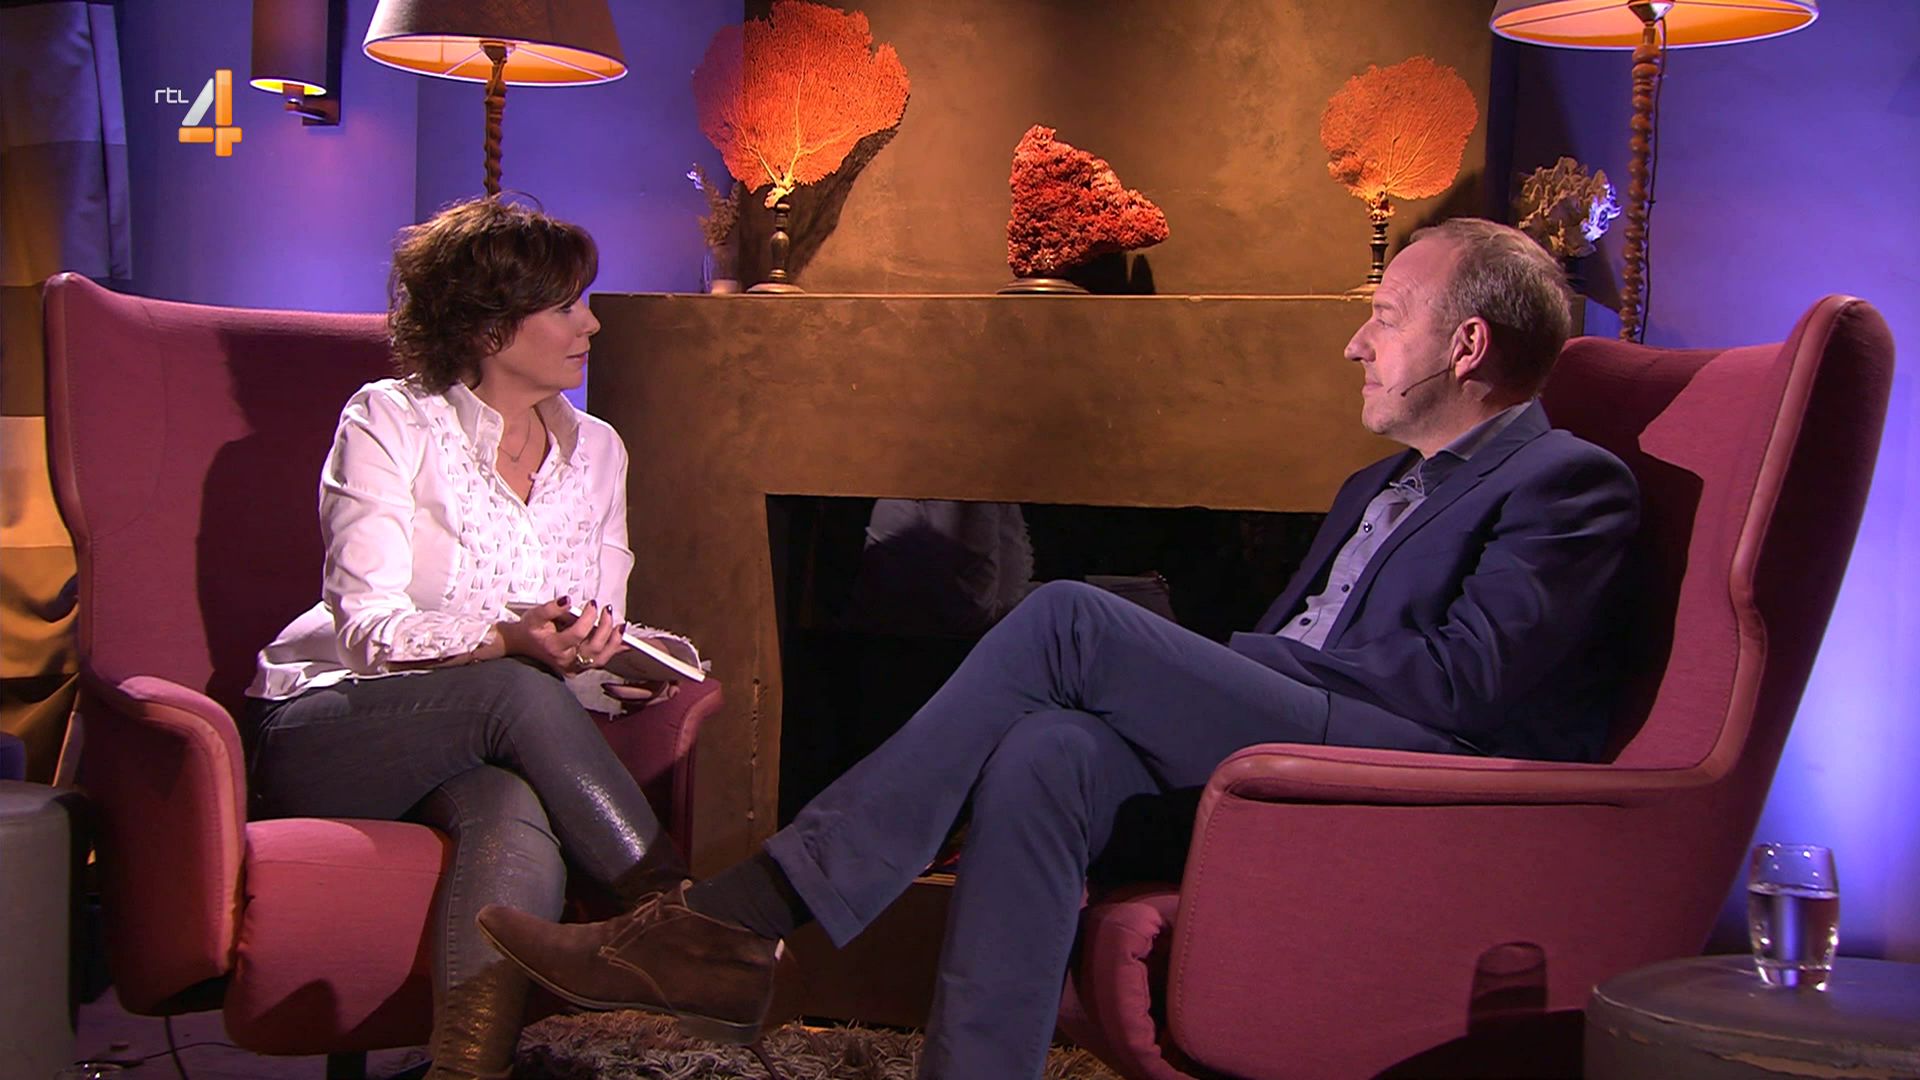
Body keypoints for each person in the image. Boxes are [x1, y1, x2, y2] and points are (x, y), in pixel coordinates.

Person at [476, 217, 1642, 1078]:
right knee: (1050, 751)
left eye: (1385, 316)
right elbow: (1302, 644)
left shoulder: (1565, 483)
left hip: (1411, 773)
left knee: (1070, 616)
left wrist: (1231, 668)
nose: (1356, 344)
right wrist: (1212, 666)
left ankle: (740, 917)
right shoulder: (1374, 485)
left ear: (1467, 343)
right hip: (1309, 730)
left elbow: (1463, 685)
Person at [242, 197, 685, 1080]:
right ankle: (677, 920)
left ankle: (466, 1067)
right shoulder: (391, 420)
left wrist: (607, 665)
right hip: (334, 729)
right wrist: (507, 642)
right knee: (513, 685)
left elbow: (576, 631)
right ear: (488, 325)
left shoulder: (598, 449)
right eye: (565, 305)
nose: (591, 323)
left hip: (494, 744)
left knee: (508, 810)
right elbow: (365, 630)